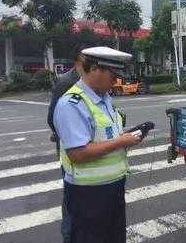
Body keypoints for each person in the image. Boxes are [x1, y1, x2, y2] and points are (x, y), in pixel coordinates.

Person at [53, 46, 142, 243]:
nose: (116, 80)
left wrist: (126, 138)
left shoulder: (105, 99)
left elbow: (105, 136)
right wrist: (120, 141)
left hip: (113, 188)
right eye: (113, 74)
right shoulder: (72, 104)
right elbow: (77, 153)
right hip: (88, 194)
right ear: (94, 69)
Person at [47, 48, 86, 243]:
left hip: (87, 151)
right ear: (79, 62)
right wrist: (74, 138)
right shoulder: (66, 83)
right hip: (72, 150)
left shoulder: (87, 81)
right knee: (72, 193)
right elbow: (52, 119)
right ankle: (69, 235)